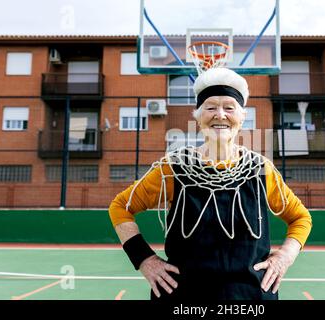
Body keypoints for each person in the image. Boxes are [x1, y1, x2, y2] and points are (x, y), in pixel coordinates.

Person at [108, 67, 312, 301]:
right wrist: (144, 259)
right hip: (183, 297)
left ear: (242, 116)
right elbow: (121, 207)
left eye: (229, 107)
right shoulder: (173, 168)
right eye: (211, 107)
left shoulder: (261, 170)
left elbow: (301, 218)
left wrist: (285, 256)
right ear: (197, 115)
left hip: (250, 297)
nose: (220, 115)